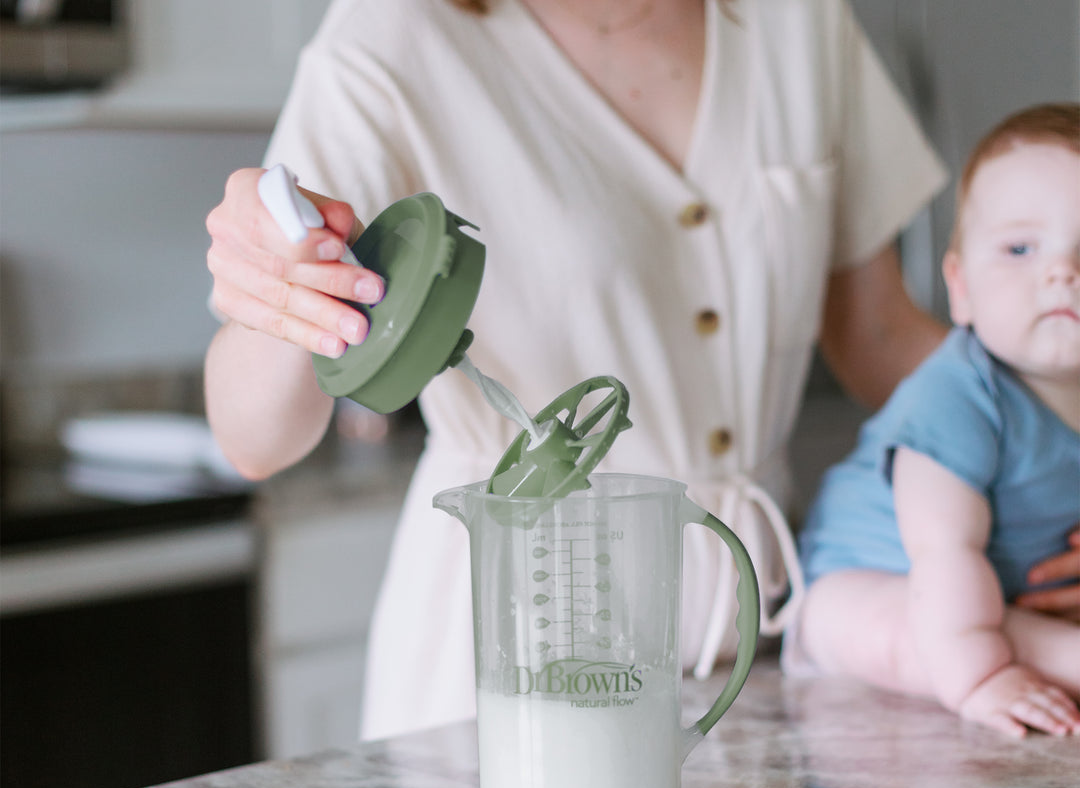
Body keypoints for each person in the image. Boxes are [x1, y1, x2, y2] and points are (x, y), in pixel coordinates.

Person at [206, 0, 970, 740]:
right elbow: (254, 441)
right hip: (507, 664)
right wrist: (283, 282)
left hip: (755, 660)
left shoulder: (798, 21)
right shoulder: (394, 33)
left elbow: (879, 335)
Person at [789, 103, 1080, 738]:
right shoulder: (956, 398)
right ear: (962, 286)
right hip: (882, 579)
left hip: (997, 595)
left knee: (993, 617)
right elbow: (943, 552)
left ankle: (1036, 648)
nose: (1063, 272)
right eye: (1021, 248)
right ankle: (1042, 659)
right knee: (893, 630)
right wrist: (981, 677)